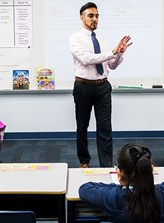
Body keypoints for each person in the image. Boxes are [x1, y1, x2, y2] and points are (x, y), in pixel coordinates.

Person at [69, 2, 132, 167]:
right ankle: (84, 161)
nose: (94, 19)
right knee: (82, 126)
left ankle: (106, 165)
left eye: (97, 16)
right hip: (83, 86)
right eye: (91, 16)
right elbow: (87, 59)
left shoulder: (103, 38)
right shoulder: (75, 38)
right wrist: (112, 52)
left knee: (105, 128)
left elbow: (111, 65)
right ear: (81, 17)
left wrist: (119, 54)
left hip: (103, 87)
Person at [79, 144, 164, 223]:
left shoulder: (113, 197)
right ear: (149, 170)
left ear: (120, 175)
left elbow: (84, 189)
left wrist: (116, 187)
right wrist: (154, 185)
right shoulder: (163, 194)